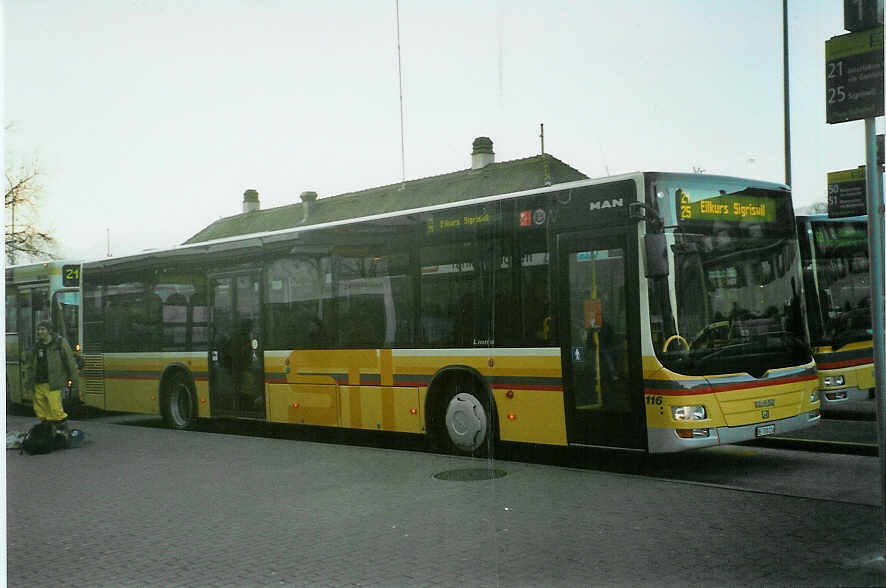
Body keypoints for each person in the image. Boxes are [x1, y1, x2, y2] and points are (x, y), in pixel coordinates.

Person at [24, 320, 79, 442]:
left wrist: (74, 381)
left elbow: (70, 361)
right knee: (40, 410)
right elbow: (30, 366)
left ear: (49, 330)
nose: (40, 332)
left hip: (53, 383)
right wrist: (28, 383)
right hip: (38, 383)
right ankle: (48, 433)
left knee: (55, 409)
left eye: (42, 329)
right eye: (38, 330)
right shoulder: (36, 346)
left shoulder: (59, 343)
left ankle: (63, 434)